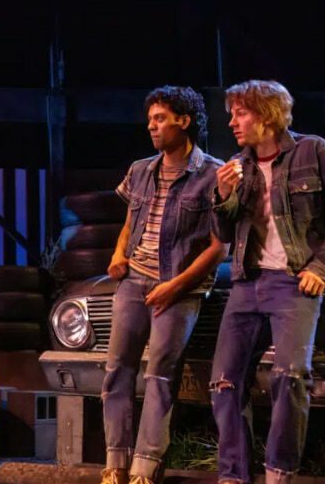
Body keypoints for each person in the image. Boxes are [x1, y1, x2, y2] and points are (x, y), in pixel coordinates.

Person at [209, 80, 325, 484]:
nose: (232, 123)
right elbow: (224, 233)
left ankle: (279, 473)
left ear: (267, 114)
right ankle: (233, 476)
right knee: (224, 382)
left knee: (289, 377)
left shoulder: (314, 152)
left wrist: (322, 269)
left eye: (241, 113)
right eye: (232, 114)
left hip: (293, 283)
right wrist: (223, 194)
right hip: (246, 282)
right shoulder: (235, 167)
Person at [99, 87, 227, 484]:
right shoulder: (140, 169)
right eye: (150, 119)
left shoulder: (212, 174)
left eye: (160, 119)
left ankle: (144, 468)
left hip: (180, 290)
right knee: (117, 372)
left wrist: (175, 287)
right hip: (133, 282)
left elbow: (220, 246)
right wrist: (119, 255)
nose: (151, 126)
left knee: (160, 376)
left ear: (184, 121)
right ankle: (115, 465)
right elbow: (129, 223)